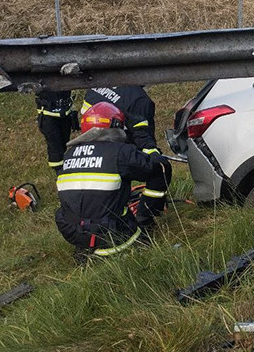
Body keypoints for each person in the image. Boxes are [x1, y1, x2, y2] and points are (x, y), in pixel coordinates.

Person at [55, 102, 169, 263]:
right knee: (162, 168)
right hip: (111, 233)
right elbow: (156, 166)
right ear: (115, 126)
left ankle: (87, 250)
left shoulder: (69, 155)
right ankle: (144, 223)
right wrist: (143, 138)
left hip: (73, 231)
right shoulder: (119, 152)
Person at [35, 89, 77, 174]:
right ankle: (59, 172)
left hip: (65, 112)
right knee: (55, 147)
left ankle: (64, 168)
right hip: (48, 115)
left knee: (64, 144)